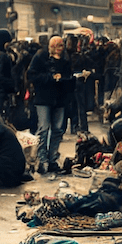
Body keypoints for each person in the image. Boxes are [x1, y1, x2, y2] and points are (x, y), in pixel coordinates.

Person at [27, 35, 75, 175]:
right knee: (44, 128)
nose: (60, 49)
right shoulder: (41, 56)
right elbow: (32, 75)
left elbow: (69, 78)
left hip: (60, 99)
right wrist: (51, 78)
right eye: (57, 46)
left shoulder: (66, 59)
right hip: (43, 98)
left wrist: (65, 80)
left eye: (61, 45)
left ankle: (52, 158)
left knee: (58, 130)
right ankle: (42, 159)